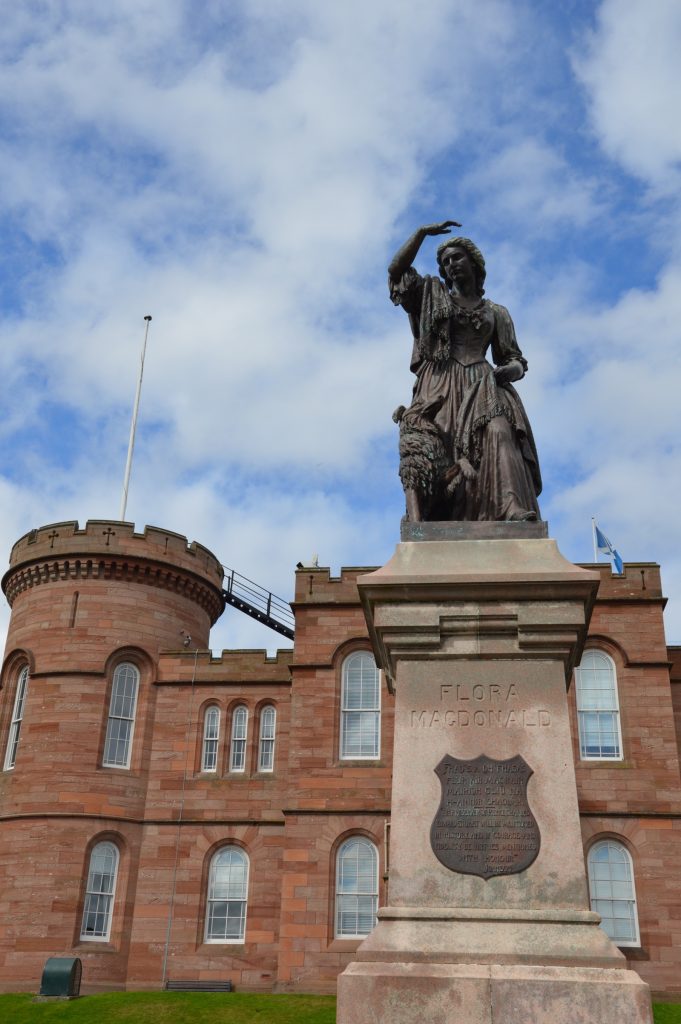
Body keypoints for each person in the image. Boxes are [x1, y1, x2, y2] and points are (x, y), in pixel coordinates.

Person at [388, 220, 542, 522]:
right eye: (445, 261)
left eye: (456, 257)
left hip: (484, 384)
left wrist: (510, 371)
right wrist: (420, 234)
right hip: (439, 387)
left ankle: (510, 508)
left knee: (500, 432)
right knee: (437, 453)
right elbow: (396, 272)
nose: (450, 264)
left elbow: (514, 358)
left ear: (474, 262)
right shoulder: (431, 297)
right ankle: (436, 523)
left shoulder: (496, 312)